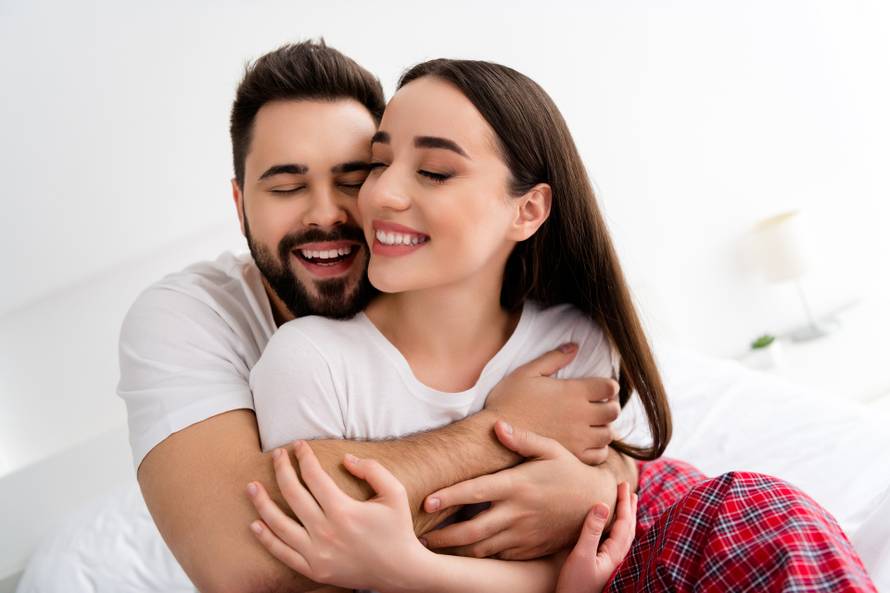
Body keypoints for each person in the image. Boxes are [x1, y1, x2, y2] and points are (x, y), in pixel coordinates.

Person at [243, 58, 878, 592]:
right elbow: (322, 548)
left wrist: (582, 526)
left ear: (528, 210)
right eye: (378, 165)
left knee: (765, 512)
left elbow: (603, 529)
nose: (379, 197)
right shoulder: (310, 363)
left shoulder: (573, 339)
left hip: (647, 540)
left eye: (433, 171)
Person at [118, 41, 632, 593]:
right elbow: (253, 563)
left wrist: (597, 489)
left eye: (355, 176)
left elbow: (622, 463)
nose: (327, 215)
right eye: (288, 187)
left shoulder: (550, 326)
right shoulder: (192, 319)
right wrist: (500, 432)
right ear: (240, 205)